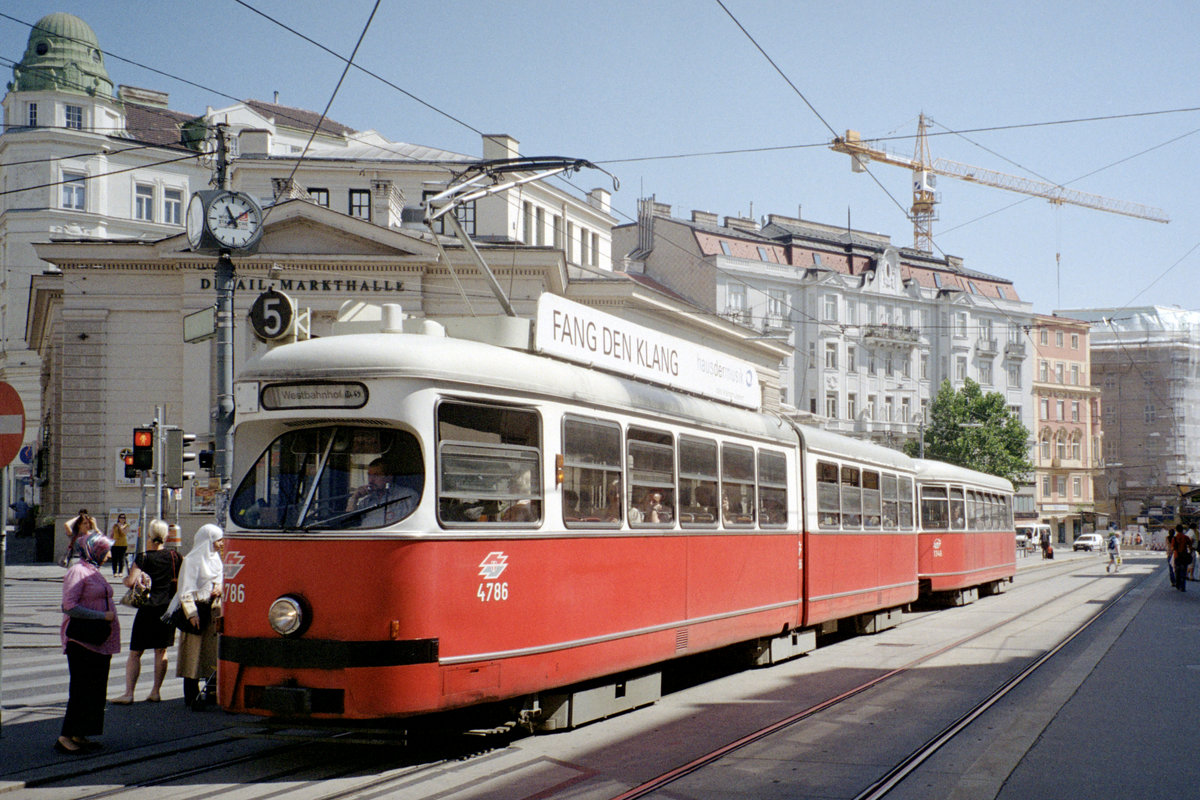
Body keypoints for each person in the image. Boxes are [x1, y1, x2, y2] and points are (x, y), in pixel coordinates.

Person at [56, 531, 119, 754]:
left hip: (99, 640)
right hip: (82, 640)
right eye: (106, 550)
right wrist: (102, 616)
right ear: (96, 550)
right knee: (81, 689)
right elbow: (69, 606)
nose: (109, 555)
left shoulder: (93, 571)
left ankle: (80, 733)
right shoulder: (77, 571)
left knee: (95, 690)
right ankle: (65, 736)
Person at [111, 520, 181, 704]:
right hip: (167, 609)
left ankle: (129, 693)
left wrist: (125, 579)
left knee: (135, 652)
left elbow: (131, 581)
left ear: (149, 535)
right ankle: (156, 691)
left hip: (147, 609)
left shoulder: (144, 557)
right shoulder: (175, 557)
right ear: (166, 536)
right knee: (161, 650)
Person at [165, 523, 224, 708]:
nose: (221, 544)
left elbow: (220, 579)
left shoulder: (216, 559)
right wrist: (191, 614)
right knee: (193, 655)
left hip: (213, 611)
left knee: (211, 655)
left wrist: (219, 588)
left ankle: (212, 692)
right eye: (218, 540)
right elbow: (185, 590)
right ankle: (192, 696)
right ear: (207, 541)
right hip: (197, 611)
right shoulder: (192, 561)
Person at [346, 458, 418, 526]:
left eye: (376, 475)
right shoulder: (366, 502)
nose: (371, 480)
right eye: (369, 475)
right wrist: (355, 498)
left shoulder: (407, 496)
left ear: (389, 477)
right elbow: (348, 522)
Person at [1170, 525, 1191, 592]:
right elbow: (1190, 545)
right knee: (1184, 571)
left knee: (1177, 571)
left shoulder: (1174, 538)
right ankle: (1183, 586)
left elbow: (1172, 548)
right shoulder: (1186, 537)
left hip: (1177, 556)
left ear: (1176, 530)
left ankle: (1178, 584)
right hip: (1184, 556)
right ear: (1182, 530)